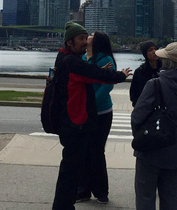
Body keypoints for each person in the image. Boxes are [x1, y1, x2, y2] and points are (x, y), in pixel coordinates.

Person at [51, 22, 131, 210]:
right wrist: (119, 75)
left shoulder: (64, 58)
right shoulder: (72, 62)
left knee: (72, 168)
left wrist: (102, 73)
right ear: (69, 42)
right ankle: (63, 206)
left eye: (86, 38)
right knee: (71, 171)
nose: (84, 42)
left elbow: (89, 74)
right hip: (74, 122)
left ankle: (66, 204)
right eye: (80, 39)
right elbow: (93, 74)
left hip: (70, 121)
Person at [131, 42, 177, 210]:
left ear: (166, 61)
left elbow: (137, 116)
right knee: (171, 196)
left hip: (151, 147)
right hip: (175, 146)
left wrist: (139, 138)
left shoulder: (155, 84)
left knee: (145, 195)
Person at [76, 31, 117, 204]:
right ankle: (83, 190)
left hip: (101, 113)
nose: (88, 35)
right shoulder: (84, 58)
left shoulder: (105, 60)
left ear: (97, 40)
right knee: (84, 151)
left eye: (91, 34)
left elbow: (107, 86)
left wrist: (91, 103)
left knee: (97, 151)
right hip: (85, 112)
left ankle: (101, 191)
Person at [129, 41, 161, 107]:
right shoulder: (140, 71)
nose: (154, 52)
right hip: (144, 109)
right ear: (145, 54)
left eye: (155, 49)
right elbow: (134, 93)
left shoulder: (164, 69)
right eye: (150, 50)